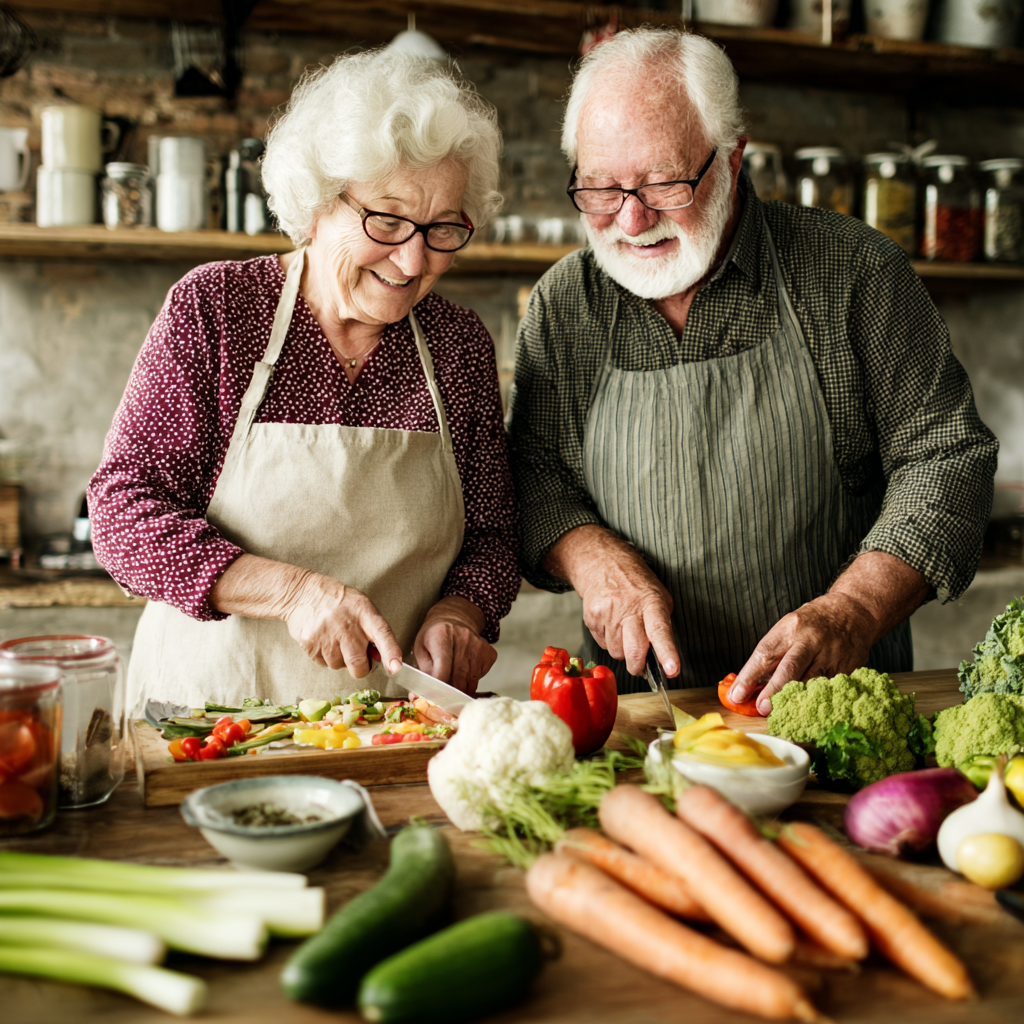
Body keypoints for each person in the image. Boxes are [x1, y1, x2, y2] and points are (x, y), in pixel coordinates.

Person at [506, 27, 997, 711]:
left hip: (834, 710)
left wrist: (851, 610)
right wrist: (594, 560)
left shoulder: (852, 273)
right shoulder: (566, 304)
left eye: (663, 183)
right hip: (635, 719)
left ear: (733, 159)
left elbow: (946, 455)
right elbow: (533, 473)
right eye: (600, 188)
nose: (632, 217)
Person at [90, 50, 519, 715]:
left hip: (390, 727)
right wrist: (292, 594)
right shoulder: (218, 310)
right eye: (387, 221)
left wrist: (460, 617)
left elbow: (492, 538)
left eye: (442, 229)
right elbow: (121, 514)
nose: (413, 260)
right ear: (317, 203)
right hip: (208, 721)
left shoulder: (458, 346)